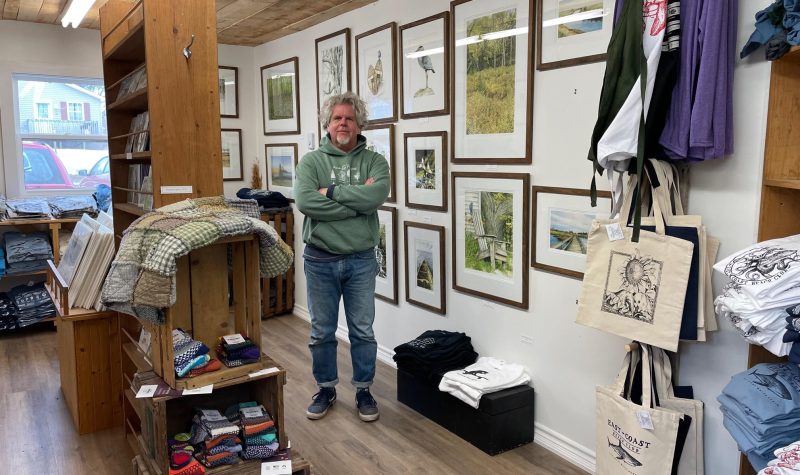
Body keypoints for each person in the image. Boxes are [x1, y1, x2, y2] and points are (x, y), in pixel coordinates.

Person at [293, 92, 390, 422]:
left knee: (362, 330)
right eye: (337, 118)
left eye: (349, 118)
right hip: (319, 260)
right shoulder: (311, 162)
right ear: (327, 124)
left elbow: (375, 196)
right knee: (321, 331)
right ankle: (326, 388)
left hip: (361, 259)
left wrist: (331, 192)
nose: (343, 123)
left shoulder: (375, 162)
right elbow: (306, 202)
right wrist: (356, 201)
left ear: (360, 123)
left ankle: (364, 390)